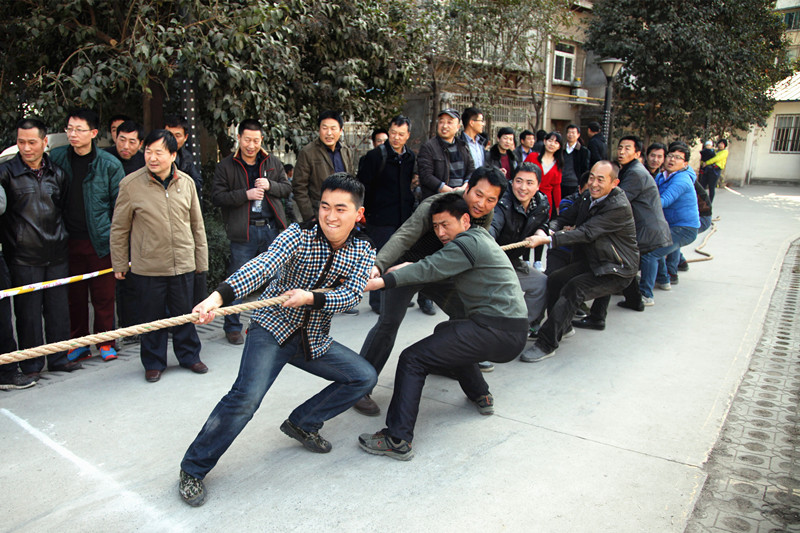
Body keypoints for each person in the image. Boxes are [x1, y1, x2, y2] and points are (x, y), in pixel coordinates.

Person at [178, 173, 377, 507]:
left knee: (363, 377)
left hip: (312, 339)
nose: (330, 216)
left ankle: (303, 423)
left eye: (340, 209)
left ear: (358, 214)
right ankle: (193, 468)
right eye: (325, 206)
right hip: (272, 329)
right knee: (246, 398)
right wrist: (217, 298)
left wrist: (310, 298)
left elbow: (351, 295)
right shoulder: (299, 235)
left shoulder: (363, 250)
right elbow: (262, 265)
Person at [357, 194, 528, 460]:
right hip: (512, 331)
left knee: (413, 359)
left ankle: (398, 438)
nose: (440, 232)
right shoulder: (480, 239)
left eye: (446, 225)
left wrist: (381, 281)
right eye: (436, 226)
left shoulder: (466, 243)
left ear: (466, 220)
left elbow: (430, 267)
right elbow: (418, 250)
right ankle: (480, 395)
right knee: (447, 335)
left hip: (494, 330)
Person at [353, 167, 505, 416]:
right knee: (388, 324)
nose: (482, 204)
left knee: (464, 316)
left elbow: (475, 248)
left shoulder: (483, 216)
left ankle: (450, 364)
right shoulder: (435, 205)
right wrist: (378, 265)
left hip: (441, 271)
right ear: (467, 188)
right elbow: (404, 236)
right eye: (478, 194)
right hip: (405, 268)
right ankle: (360, 386)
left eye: (491, 200)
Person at [110, 130, 208, 382]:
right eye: (148, 152)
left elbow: (197, 225)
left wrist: (200, 260)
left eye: (159, 153)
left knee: (185, 314)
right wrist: (119, 262)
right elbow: (120, 228)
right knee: (151, 319)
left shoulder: (186, 183)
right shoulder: (131, 185)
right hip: (148, 266)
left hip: (183, 262)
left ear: (173, 155)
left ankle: (189, 356)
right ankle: (153, 363)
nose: (152, 158)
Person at [520, 161, 639, 362]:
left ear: (614, 183)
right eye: (591, 177)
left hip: (616, 268)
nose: (593, 183)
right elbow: (564, 218)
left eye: (600, 179)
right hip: (595, 260)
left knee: (575, 289)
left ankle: (546, 343)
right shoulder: (587, 197)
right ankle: (563, 326)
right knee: (555, 279)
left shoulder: (618, 206)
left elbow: (586, 232)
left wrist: (548, 240)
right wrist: (546, 230)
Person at [0, 119, 80, 380]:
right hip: (23, 256)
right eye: (21, 142)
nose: (26, 148)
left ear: (45, 142)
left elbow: (63, 209)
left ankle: (59, 358)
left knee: (58, 310)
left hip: (57, 252)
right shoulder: (6, 173)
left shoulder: (58, 173)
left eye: (32, 142)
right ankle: (31, 364)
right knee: (28, 314)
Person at [50, 108, 125, 363]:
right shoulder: (57, 158)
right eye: (69, 129)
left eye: (79, 130)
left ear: (93, 133)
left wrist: (116, 241)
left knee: (104, 296)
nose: (73, 134)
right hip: (67, 239)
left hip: (100, 240)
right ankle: (79, 343)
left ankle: (106, 342)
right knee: (75, 296)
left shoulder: (109, 164)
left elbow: (120, 207)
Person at [211, 119, 291, 345]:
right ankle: (232, 327)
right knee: (237, 280)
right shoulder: (226, 166)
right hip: (243, 232)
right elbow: (217, 197)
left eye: (256, 141)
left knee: (278, 278)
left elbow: (287, 188)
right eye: (247, 140)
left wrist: (270, 186)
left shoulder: (272, 162)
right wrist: (245, 195)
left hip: (270, 229)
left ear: (261, 139)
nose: (251, 145)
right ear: (239, 138)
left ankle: (278, 322)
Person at [576, 136, 671, 322]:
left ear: (637, 153)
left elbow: (615, 200)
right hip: (644, 228)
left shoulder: (635, 173)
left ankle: (598, 317)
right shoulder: (629, 170)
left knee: (612, 266)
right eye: (620, 147)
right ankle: (635, 301)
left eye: (628, 148)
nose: (622, 152)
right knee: (626, 265)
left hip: (646, 230)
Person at [357, 116, 416, 314]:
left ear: (408, 136)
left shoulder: (410, 157)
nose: (396, 138)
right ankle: (377, 301)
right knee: (380, 259)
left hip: (402, 217)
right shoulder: (375, 156)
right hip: (380, 218)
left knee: (399, 259)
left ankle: (396, 299)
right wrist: (366, 213)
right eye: (393, 133)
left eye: (401, 134)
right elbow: (362, 186)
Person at [489, 162, 550, 338]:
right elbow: (493, 226)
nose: (523, 188)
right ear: (511, 181)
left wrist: (540, 233)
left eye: (529, 183)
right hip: (491, 262)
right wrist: (488, 243)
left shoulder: (541, 202)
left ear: (538, 186)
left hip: (513, 261)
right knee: (501, 298)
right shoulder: (502, 201)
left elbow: (544, 223)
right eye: (518, 181)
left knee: (541, 283)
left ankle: (522, 327)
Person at [638, 143, 699, 306]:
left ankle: (646, 295)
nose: (672, 160)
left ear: (685, 164)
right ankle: (664, 280)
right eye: (671, 156)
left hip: (684, 228)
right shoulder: (662, 176)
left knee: (651, 253)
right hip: (671, 226)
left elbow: (663, 201)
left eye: (678, 158)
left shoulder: (682, 180)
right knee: (656, 247)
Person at [293, 110, 353, 222]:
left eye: (333, 128)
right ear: (319, 130)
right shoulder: (308, 152)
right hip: (319, 214)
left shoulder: (346, 151)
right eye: (325, 128)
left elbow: (351, 182)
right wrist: (310, 217)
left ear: (340, 131)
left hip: (342, 213)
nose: (329, 133)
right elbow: (299, 187)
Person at [418, 109, 475, 199]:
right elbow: (426, 176)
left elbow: (471, 170)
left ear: (458, 127)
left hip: (461, 197)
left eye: (449, 122)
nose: (444, 126)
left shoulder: (463, 146)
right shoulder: (429, 147)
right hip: (438, 199)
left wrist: (464, 188)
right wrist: (451, 191)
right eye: (441, 122)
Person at [525, 131, 564, 218]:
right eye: (550, 140)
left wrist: (558, 207)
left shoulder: (558, 164)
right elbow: (521, 173)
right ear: (545, 141)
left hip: (545, 200)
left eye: (556, 142)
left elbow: (557, 187)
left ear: (559, 147)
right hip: (528, 195)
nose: (552, 144)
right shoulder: (532, 157)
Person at [164, 115, 203, 196]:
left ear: (185, 137)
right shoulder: (155, 155)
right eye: (169, 135)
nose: (173, 140)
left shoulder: (186, 156)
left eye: (177, 136)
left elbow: (197, 182)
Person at [561, 124, 590, 198]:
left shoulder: (583, 151)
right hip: (561, 183)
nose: (570, 135)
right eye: (569, 132)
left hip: (574, 184)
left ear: (578, 135)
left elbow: (585, 169)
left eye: (573, 133)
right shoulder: (561, 150)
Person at [701, 139, 728, 203]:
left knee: (711, 187)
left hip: (715, 171)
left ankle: (709, 202)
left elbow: (716, 159)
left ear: (725, 145)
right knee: (702, 186)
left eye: (722, 144)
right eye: (720, 143)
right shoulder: (714, 151)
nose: (720, 145)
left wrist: (706, 163)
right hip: (708, 170)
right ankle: (701, 201)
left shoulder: (725, 152)